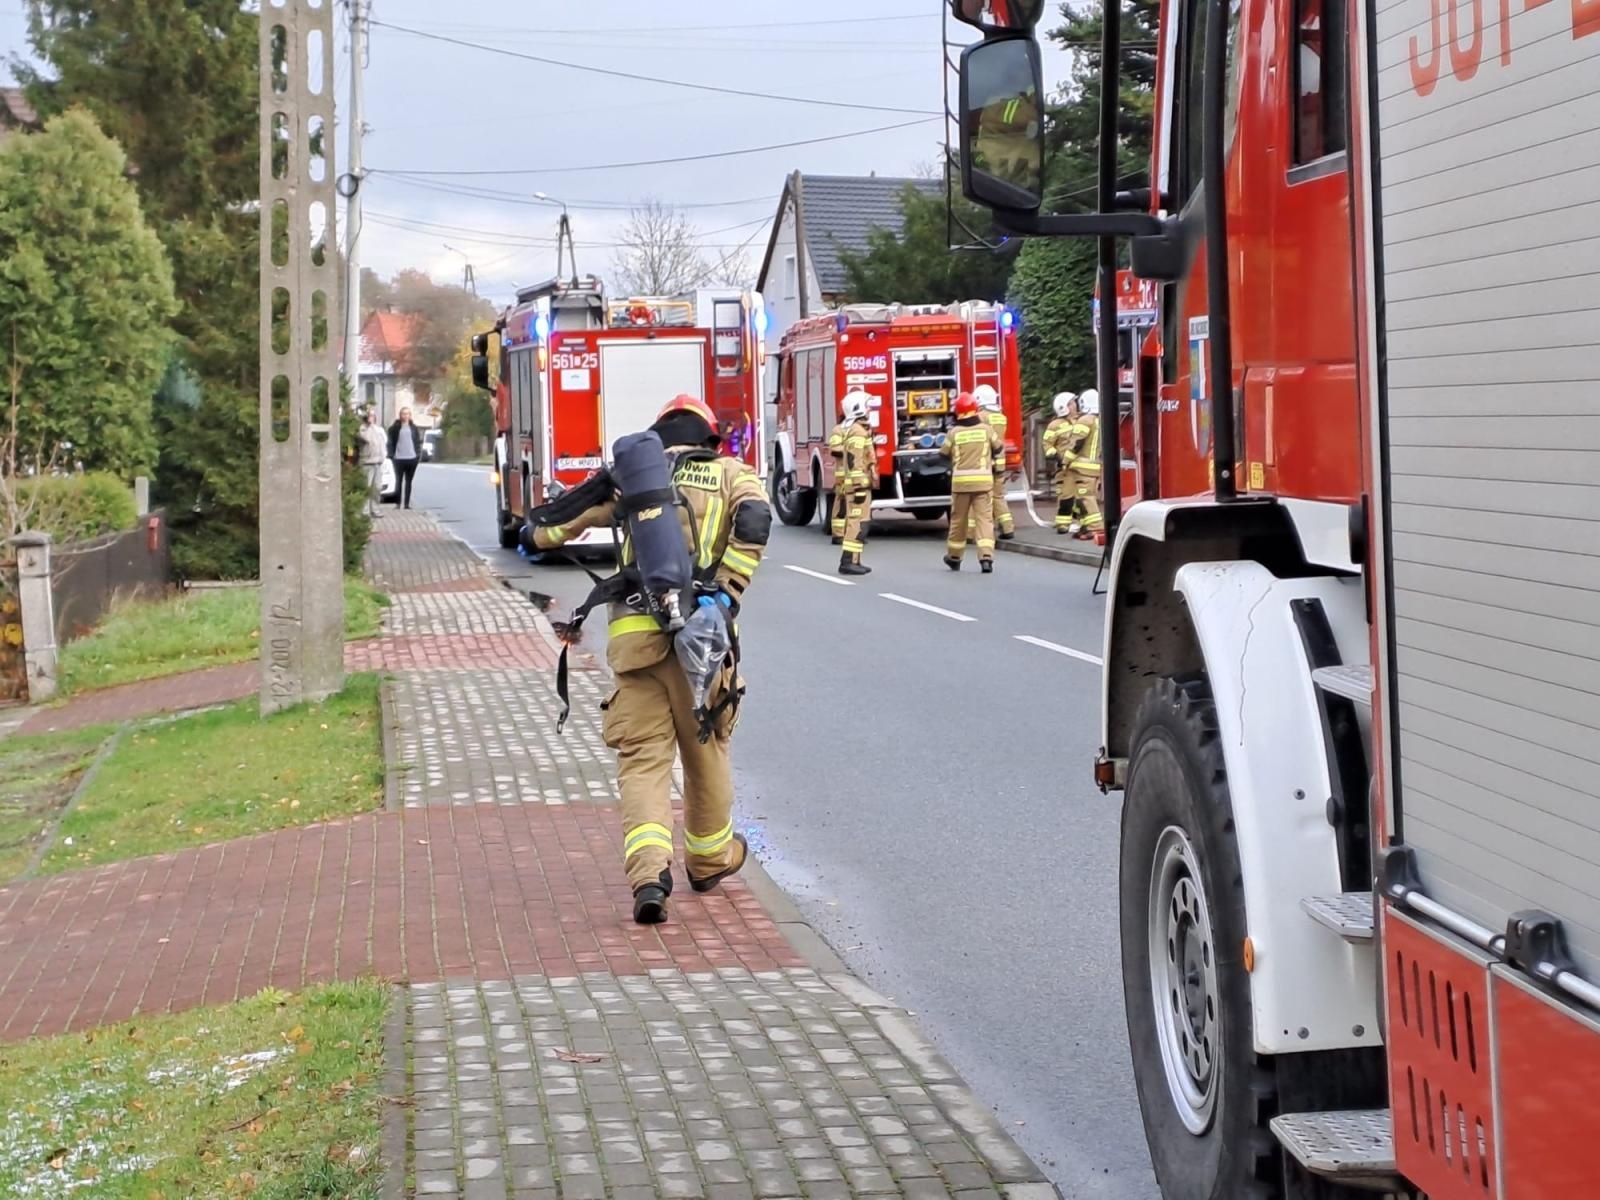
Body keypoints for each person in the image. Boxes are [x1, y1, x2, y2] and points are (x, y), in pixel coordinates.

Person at [529, 395, 771, 925]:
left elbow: (549, 532)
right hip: (701, 649)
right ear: (710, 436)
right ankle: (708, 859)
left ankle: (648, 876)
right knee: (705, 751)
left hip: (636, 643)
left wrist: (540, 527)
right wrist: (726, 592)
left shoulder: (635, 482)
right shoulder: (734, 473)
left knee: (642, 763)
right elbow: (755, 520)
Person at [941, 392, 1000, 573]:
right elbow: (998, 448)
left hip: (961, 485)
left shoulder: (954, 433)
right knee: (984, 520)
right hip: (983, 483)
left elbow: (943, 454)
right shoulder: (986, 430)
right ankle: (986, 558)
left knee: (959, 521)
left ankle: (955, 557)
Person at [837, 390, 878, 576]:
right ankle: (848, 562)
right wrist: (859, 485)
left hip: (860, 484)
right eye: (866, 405)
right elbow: (855, 460)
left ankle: (855, 560)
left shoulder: (860, 430)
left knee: (861, 522)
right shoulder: (857, 432)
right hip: (857, 486)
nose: (869, 409)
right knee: (856, 523)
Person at [974, 384, 1015, 541]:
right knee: (998, 496)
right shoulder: (1000, 416)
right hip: (1000, 462)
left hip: (986, 462)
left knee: (980, 497)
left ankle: (976, 532)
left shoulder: (982, 417)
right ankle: (1007, 527)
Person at [1042, 391, 1082, 534]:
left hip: (1080, 466)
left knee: (1081, 495)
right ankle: (1063, 524)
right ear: (1063, 407)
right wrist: (1056, 457)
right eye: (1071, 403)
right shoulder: (1055, 425)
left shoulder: (1081, 421)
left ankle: (1078, 522)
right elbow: (1047, 444)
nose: (1075, 405)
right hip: (1065, 468)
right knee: (1066, 496)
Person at [1067, 388, 1103, 540]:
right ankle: (1085, 527)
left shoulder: (1085, 420)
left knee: (1086, 497)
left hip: (1083, 467)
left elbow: (1077, 443)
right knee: (1083, 498)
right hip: (1094, 467)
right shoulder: (1099, 420)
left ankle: (1096, 528)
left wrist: (1065, 460)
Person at [387, 407, 421, 509]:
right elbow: (390, 442)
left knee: (409, 482)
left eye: (407, 414)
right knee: (399, 481)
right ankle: (398, 503)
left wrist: (417, 455)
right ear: (400, 415)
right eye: (403, 414)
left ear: (410, 416)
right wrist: (392, 455)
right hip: (398, 458)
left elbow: (417, 442)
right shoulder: (394, 428)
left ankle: (406, 504)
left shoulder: (414, 428)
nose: (405, 416)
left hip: (412, 458)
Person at [357, 408, 388, 517]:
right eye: (370, 415)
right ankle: (364, 511)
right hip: (367, 462)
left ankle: (375, 509)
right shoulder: (362, 429)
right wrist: (367, 424)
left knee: (377, 488)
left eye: (373, 415)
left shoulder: (378, 429)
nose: (372, 417)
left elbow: (383, 443)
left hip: (378, 463)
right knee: (366, 487)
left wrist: (383, 457)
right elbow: (366, 439)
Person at [826, 411, 849, 544]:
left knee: (856, 506)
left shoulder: (859, 430)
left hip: (857, 474)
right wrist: (850, 448)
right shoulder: (838, 430)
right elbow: (834, 448)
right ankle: (838, 535)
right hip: (843, 474)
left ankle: (854, 533)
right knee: (841, 504)